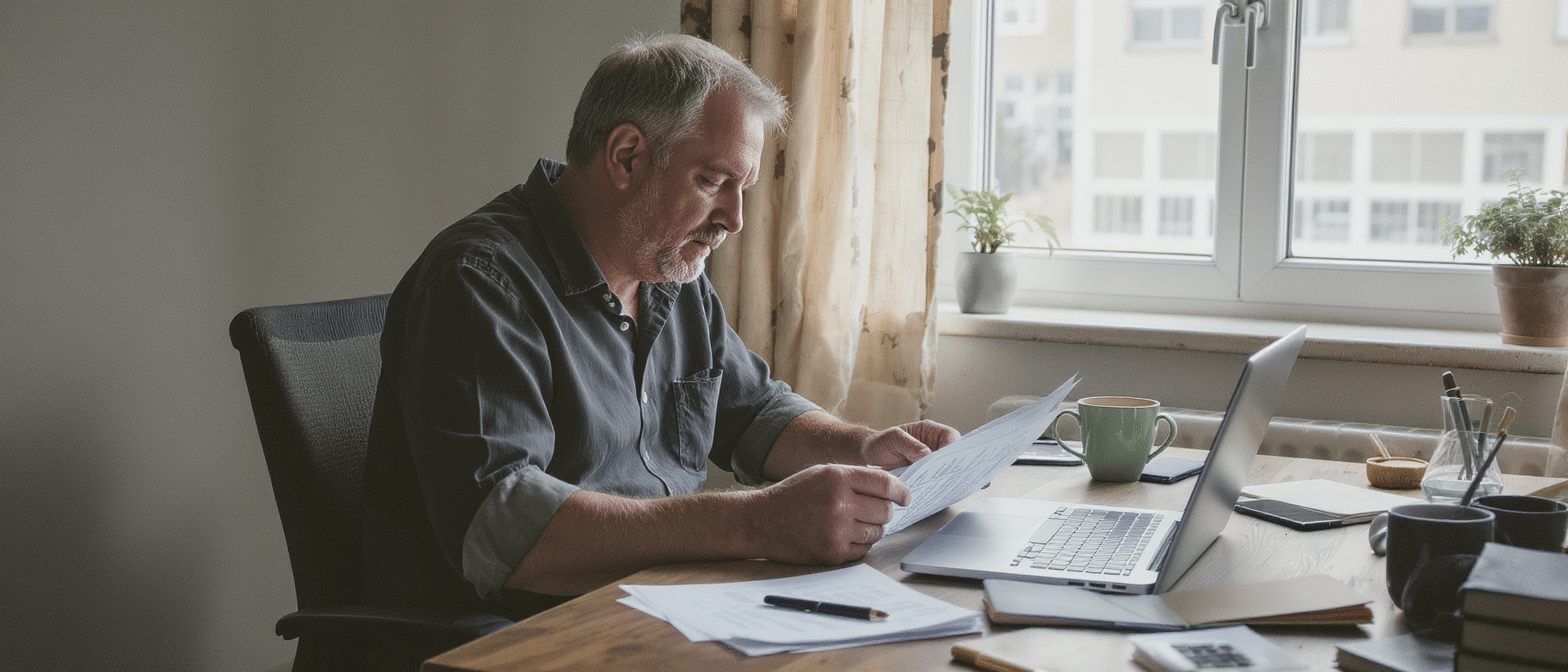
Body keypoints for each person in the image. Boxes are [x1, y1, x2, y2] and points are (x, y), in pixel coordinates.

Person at [362, 33, 958, 621]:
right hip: (516, 637)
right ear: (627, 156)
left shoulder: (671, 270)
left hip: (659, 606)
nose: (734, 219)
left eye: (742, 188)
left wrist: (864, 450)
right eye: (712, 181)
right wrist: (757, 521)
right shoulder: (480, 282)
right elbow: (508, 528)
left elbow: (753, 412)